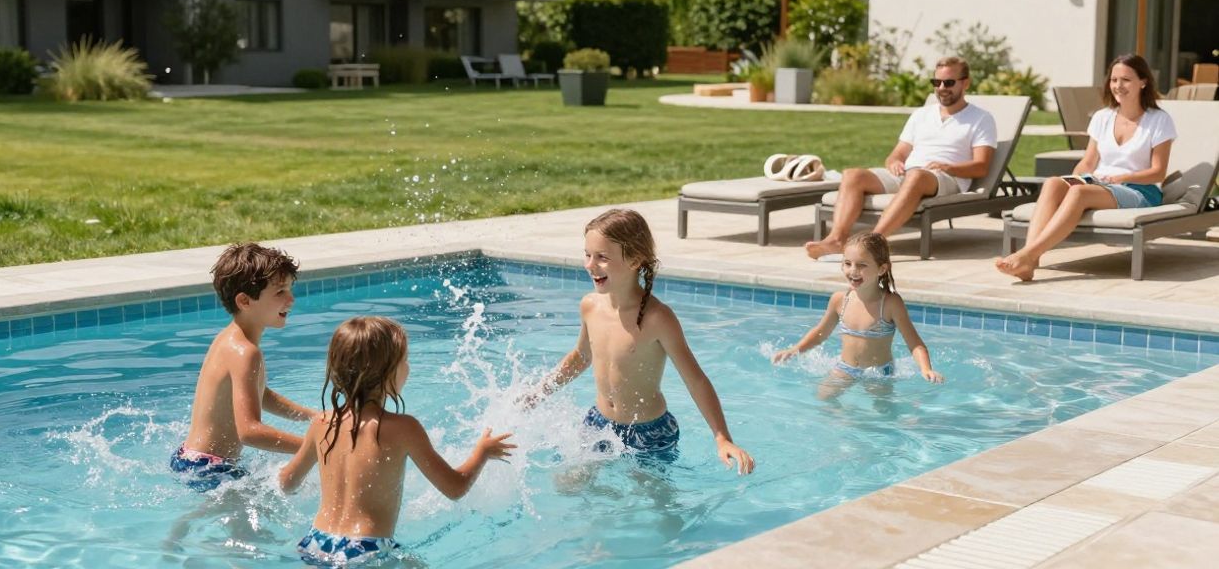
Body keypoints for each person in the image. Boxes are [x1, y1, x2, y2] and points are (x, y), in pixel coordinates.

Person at [530, 208, 755, 474]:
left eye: (602, 257)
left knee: (651, 504)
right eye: (588, 255)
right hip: (599, 423)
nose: (590, 265)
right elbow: (580, 357)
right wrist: (538, 393)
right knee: (569, 484)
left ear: (635, 259)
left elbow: (695, 380)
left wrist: (722, 437)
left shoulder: (658, 318)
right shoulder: (590, 306)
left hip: (649, 433)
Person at [279, 316, 515, 566]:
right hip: (365, 550)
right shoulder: (404, 428)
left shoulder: (321, 423)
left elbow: (287, 482)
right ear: (387, 373)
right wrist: (482, 452)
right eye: (405, 361)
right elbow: (455, 488)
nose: (409, 367)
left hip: (316, 543)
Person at [996, 54, 1176, 281]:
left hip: (1139, 189)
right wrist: (1070, 179)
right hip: (1100, 183)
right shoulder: (1103, 117)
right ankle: (1030, 261)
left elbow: (1158, 172)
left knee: (1079, 193)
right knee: (1053, 182)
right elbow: (1089, 162)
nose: (1118, 86)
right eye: (1114, 80)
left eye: (1126, 80)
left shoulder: (1159, 120)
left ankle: (1028, 254)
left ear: (1143, 82)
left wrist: (1121, 178)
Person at [805, 56, 997, 260]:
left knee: (916, 176)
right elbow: (897, 153)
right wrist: (894, 162)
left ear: (965, 83)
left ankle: (873, 244)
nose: (942, 87)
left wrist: (949, 167)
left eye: (949, 82)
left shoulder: (981, 119)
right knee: (853, 175)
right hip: (909, 173)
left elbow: (981, 167)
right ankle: (836, 239)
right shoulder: (921, 115)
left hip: (947, 177)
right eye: (936, 82)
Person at [170, 243, 317, 492]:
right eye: (280, 292)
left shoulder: (230, 339)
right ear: (245, 301)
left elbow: (259, 394)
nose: (291, 299)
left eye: (290, 289)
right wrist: (314, 447)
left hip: (191, 459)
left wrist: (311, 417)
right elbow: (249, 432)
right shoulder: (246, 353)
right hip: (211, 469)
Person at [774, 233, 943, 396]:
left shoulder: (891, 303)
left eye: (862, 265)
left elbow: (915, 343)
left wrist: (926, 368)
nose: (853, 271)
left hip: (878, 373)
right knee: (824, 398)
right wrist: (795, 349)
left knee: (883, 410)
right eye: (848, 263)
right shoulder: (840, 300)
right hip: (845, 368)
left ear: (882, 268)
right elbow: (820, 333)